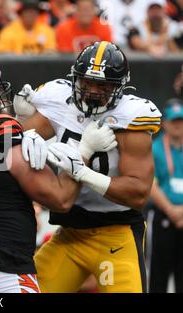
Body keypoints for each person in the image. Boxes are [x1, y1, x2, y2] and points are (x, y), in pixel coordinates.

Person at [0, 56, 115, 293]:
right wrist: (85, 151)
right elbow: (61, 199)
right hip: (5, 265)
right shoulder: (3, 128)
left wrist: (21, 125)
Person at [14, 41, 162, 292]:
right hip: (70, 232)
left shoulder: (130, 117)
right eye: (87, 82)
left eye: (102, 85)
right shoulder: (59, 100)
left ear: (119, 86)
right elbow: (9, 143)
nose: (93, 91)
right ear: (75, 79)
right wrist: (16, 119)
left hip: (116, 234)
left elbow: (138, 194)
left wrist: (84, 173)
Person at [147, 98, 183, 293]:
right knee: (158, 277)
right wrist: (172, 211)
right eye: (174, 121)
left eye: (181, 121)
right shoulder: (155, 148)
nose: (178, 125)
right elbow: (150, 184)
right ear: (164, 124)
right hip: (163, 217)